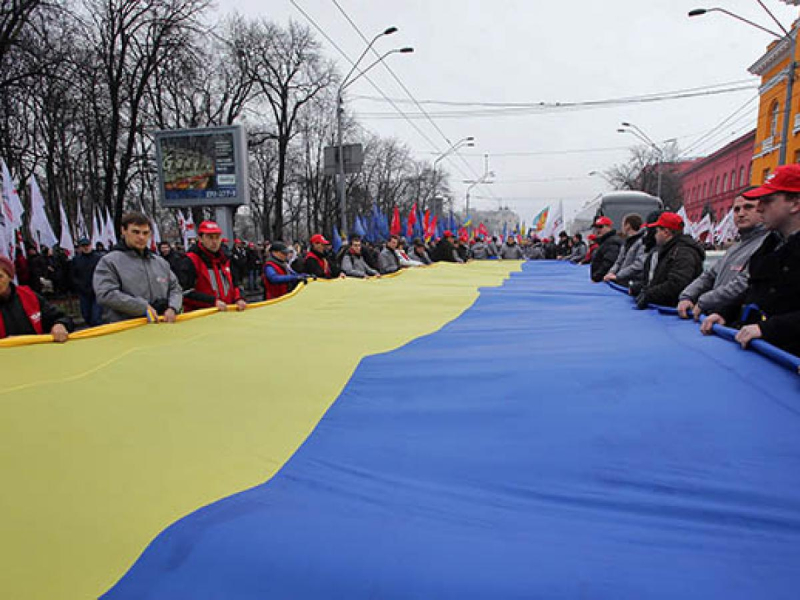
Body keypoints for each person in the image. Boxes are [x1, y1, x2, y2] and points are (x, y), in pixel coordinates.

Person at [701, 165, 800, 355]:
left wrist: (767, 329)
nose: (759, 208)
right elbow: (756, 291)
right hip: (762, 355)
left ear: (795, 204)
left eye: (768, 201)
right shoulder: (771, 244)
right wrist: (725, 312)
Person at [678, 194, 767, 320]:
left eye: (748, 207)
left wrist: (704, 301)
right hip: (716, 319)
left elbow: (742, 284)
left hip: (738, 323)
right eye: (736, 209)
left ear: (763, 209)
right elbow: (709, 275)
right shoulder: (734, 248)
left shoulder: (766, 244)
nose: (741, 214)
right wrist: (687, 296)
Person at [93, 212, 182, 323]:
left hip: (161, 325)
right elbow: (106, 294)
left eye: (145, 233)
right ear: (123, 231)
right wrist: (142, 307)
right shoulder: (109, 262)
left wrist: (172, 307)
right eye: (135, 232)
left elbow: (175, 288)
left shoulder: (160, 262)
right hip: (127, 329)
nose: (141, 237)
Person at [630, 212, 705, 309]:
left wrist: (649, 294)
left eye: (657, 231)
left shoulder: (683, 253)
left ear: (666, 232)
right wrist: (641, 288)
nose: (655, 235)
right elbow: (658, 280)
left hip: (675, 313)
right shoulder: (669, 250)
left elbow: (676, 285)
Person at [178, 221, 246, 313]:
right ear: (200, 239)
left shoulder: (226, 259)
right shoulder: (190, 261)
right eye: (210, 237)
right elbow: (185, 293)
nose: (214, 241)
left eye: (217, 237)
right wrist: (212, 301)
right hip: (202, 317)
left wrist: (239, 298)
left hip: (228, 313)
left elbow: (235, 283)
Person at [0, 256, 73, 341]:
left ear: (10, 277)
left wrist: (60, 325)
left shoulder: (29, 296)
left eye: (0, 276)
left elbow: (60, 317)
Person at [603, 214, 645, 286]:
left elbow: (638, 265)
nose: (621, 227)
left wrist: (618, 275)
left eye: (623, 224)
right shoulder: (626, 243)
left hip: (631, 284)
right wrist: (611, 273)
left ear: (628, 225)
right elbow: (618, 261)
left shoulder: (642, 242)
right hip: (620, 281)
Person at [71, 237, 103, 327]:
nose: (86, 248)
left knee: (96, 317)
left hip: (96, 290)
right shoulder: (76, 260)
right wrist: (78, 286)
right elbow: (73, 275)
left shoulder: (98, 258)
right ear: (80, 247)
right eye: (83, 246)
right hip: (83, 291)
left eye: (87, 245)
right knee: (86, 314)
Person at [590, 216, 622, 282]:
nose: (598, 230)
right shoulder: (605, 241)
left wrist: (596, 277)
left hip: (605, 281)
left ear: (609, 227)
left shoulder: (612, 242)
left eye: (600, 227)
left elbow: (608, 263)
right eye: (596, 227)